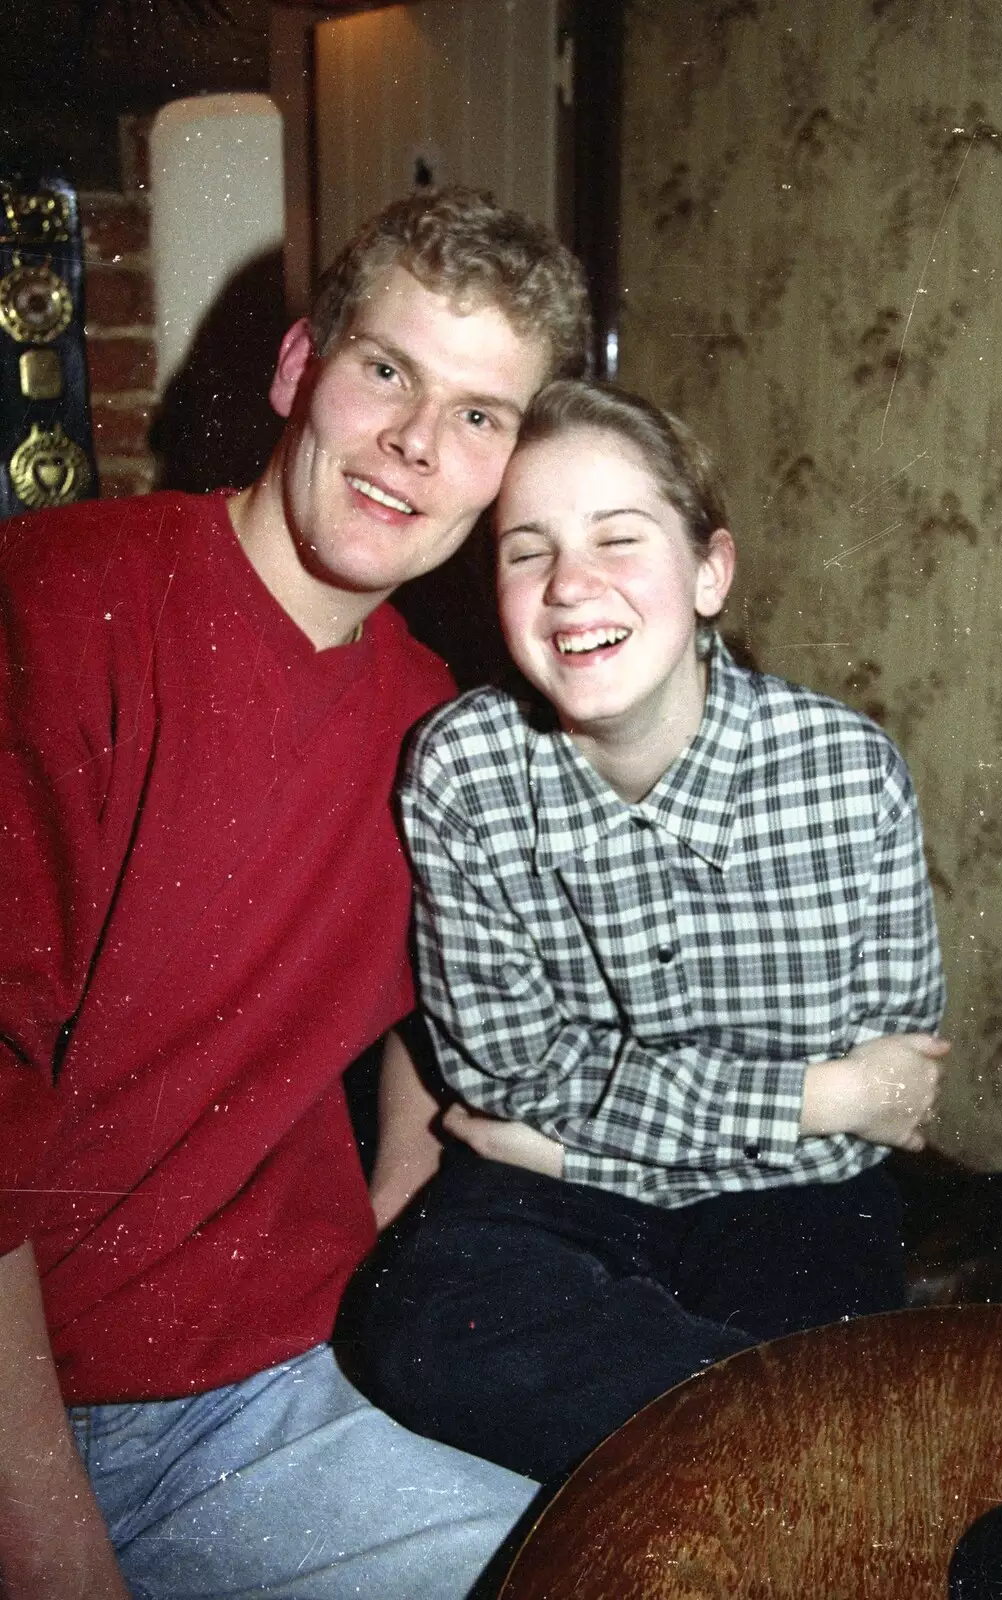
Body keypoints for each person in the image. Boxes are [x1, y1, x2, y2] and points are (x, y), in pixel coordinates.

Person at [0, 188, 590, 1600]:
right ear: (296, 367)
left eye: (478, 416)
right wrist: (54, 1556)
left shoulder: (441, 730)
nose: (411, 446)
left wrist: (392, 1218)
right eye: (386, 371)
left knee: (643, 1552)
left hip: (267, 1393)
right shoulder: (60, 603)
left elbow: (446, 1019)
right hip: (45, 1417)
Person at [358, 379, 950, 1485]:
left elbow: (892, 1095)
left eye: (618, 540)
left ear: (708, 571)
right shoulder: (460, 769)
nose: (571, 585)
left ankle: (800, 1439)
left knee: (811, 1349)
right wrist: (807, 1094)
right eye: (525, 550)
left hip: (789, 1197)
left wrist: (558, 1130)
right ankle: (803, 1444)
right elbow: (502, 1070)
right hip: (552, 1192)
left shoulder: (845, 772)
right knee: (420, 1331)